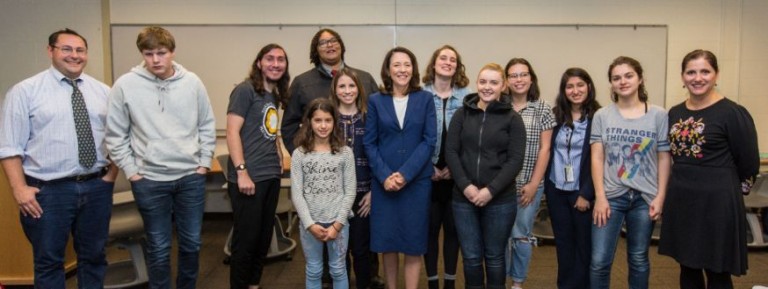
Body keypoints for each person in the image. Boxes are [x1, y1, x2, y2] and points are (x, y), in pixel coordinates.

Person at [0, 28, 118, 289]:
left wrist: (110, 178)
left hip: (96, 187)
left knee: (94, 258)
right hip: (48, 192)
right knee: (49, 262)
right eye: (66, 49)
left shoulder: (103, 92)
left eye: (80, 50)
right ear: (50, 51)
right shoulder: (25, 92)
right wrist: (19, 189)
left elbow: (118, 138)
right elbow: (9, 147)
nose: (74, 55)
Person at [106, 26, 216, 289]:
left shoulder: (192, 83)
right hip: (150, 180)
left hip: (190, 177)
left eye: (161, 53)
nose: (156, 60)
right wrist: (133, 172)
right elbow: (115, 135)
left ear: (172, 52)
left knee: (192, 243)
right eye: (149, 53)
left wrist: (203, 164)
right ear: (142, 54)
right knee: (159, 247)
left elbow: (207, 126)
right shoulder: (125, 85)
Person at [659, 49, 760, 289]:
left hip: (718, 202)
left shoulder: (732, 113)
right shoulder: (675, 112)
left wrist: (732, 195)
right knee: (687, 268)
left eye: (705, 71)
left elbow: (749, 162)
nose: (698, 77)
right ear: (682, 77)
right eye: (691, 72)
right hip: (682, 200)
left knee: (717, 271)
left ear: (716, 75)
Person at [589, 56, 670, 289]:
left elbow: (664, 157)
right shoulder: (602, 115)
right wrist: (600, 197)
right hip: (611, 197)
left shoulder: (658, 115)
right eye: (616, 78)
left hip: (645, 199)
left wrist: (660, 196)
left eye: (628, 76)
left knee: (638, 259)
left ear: (640, 78)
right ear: (611, 84)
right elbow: (597, 157)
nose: (622, 81)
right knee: (599, 261)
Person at [445, 63, 526, 289]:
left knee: (494, 257)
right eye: (483, 82)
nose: (487, 87)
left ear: (503, 86)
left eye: (493, 82)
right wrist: (467, 187)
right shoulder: (461, 114)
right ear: (476, 83)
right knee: (470, 258)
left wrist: (490, 191)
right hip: (464, 199)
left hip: (500, 200)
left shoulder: (513, 119)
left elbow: (515, 160)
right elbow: (451, 151)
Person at [364, 46, 436, 289]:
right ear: (388, 69)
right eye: (397, 65)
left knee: (414, 242)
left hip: (416, 182)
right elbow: (369, 142)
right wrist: (385, 176)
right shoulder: (375, 100)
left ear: (413, 68)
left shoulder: (425, 99)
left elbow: (429, 140)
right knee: (388, 242)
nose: (402, 70)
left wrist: (405, 174)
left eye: (407, 64)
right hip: (385, 184)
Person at [225, 43, 290, 289]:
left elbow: (271, 132)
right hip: (249, 178)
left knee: (263, 239)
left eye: (281, 60)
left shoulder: (273, 95)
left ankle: (253, 285)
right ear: (259, 63)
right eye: (270, 58)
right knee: (246, 242)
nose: (275, 64)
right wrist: (242, 172)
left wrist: (278, 156)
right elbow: (232, 132)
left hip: (270, 175)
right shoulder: (245, 90)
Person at [291, 98, 357, 289]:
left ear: (334, 122)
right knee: (313, 269)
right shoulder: (300, 154)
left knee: (338, 269)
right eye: (317, 120)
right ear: (309, 122)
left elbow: (350, 191)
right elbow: (297, 193)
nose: (323, 125)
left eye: (328, 120)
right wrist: (310, 224)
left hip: (338, 223)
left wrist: (337, 225)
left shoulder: (345, 153)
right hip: (310, 223)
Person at [545, 68, 601, 289]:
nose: (575, 91)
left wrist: (587, 193)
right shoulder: (556, 114)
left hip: (583, 192)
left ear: (589, 86)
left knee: (583, 247)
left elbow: (600, 159)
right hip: (556, 189)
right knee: (563, 244)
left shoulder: (599, 116)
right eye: (570, 86)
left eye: (580, 85)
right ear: (563, 90)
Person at [421, 44, 471, 289]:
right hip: (426, 176)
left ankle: (450, 282)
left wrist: (456, 167)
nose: (448, 62)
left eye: (453, 59)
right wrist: (425, 167)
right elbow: (413, 137)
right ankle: (432, 282)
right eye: (443, 58)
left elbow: (472, 138)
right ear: (434, 63)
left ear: (457, 66)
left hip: (457, 176)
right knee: (429, 231)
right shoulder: (419, 95)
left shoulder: (468, 97)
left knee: (453, 232)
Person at [504, 58, 556, 289]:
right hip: (501, 185)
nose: (518, 79)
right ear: (506, 80)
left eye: (523, 74)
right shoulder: (498, 106)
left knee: (522, 235)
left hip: (530, 182)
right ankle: (500, 280)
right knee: (501, 236)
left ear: (531, 78)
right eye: (513, 75)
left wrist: (535, 183)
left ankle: (517, 282)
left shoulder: (542, 108)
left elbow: (545, 148)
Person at [282, 28, 378, 153]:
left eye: (334, 40)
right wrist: (304, 157)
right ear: (315, 50)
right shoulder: (302, 83)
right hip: (319, 165)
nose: (329, 45)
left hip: (363, 161)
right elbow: (289, 127)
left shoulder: (365, 79)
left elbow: (379, 121)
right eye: (323, 43)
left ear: (341, 46)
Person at [329, 68, 375, 289]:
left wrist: (373, 191)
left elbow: (379, 155)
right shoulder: (328, 120)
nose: (347, 91)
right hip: (334, 196)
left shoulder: (369, 117)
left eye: (351, 86)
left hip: (363, 195)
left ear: (359, 88)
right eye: (342, 86)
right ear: (335, 90)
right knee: (339, 251)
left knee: (361, 249)